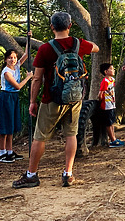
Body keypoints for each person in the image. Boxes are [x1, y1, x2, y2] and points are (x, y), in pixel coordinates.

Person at [12, 12, 99, 188]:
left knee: (40, 137)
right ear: (70, 26)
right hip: (75, 98)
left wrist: (32, 102)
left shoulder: (45, 49)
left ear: (52, 27)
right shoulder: (78, 43)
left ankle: (32, 175)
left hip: (51, 98)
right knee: (71, 135)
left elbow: (37, 78)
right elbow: (96, 48)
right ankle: (68, 173)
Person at [0, 35, 34, 163]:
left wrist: (28, 39)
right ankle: (2, 153)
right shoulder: (7, 72)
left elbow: (27, 54)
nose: (13, 60)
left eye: (14, 57)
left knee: (11, 125)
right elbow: (17, 86)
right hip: (6, 97)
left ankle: (10, 151)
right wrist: (28, 77)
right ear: (6, 59)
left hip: (13, 98)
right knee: (5, 126)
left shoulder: (16, 66)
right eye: (10, 58)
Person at [98, 63, 124, 148]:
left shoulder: (112, 80)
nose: (113, 70)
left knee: (112, 122)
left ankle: (114, 138)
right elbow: (100, 94)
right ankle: (112, 140)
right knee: (108, 123)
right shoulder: (104, 81)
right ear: (106, 71)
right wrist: (101, 101)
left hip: (112, 104)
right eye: (111, 69)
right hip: (106, 106)